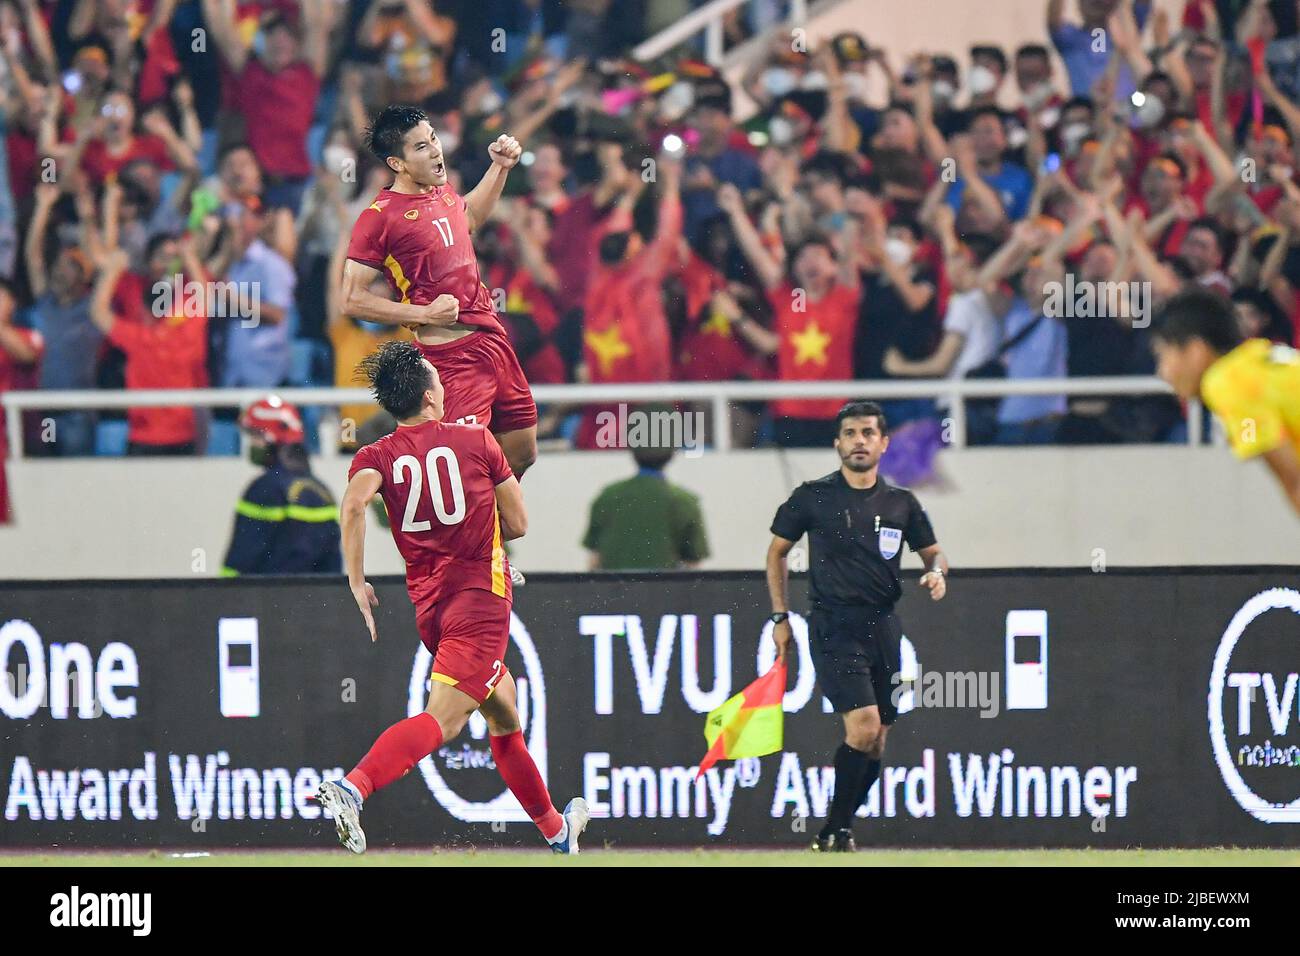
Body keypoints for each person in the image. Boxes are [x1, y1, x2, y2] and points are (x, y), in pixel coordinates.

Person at [317, 341, 588, 855]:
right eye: (438, 380)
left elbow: (353, 506)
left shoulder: (376, 455)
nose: (445, 385)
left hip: (432, 611)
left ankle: (557, 832)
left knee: (504, 711)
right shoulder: (477, 441)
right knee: (444, 718)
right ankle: (353, 788)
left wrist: (357, 581)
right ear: (430, 395)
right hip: (480, 602)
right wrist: (486, 534)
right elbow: (520, 524)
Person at [765, 401, 948, 851]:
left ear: (884, 443)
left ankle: (838, 829)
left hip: (884, 626)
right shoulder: (812, 497)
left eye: (868, 432)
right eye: (850, 433)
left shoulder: (901, 504)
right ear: (837, 444)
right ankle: (833, 829)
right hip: (833, 624)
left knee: (878, 739)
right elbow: (776, 553)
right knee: (863, 727)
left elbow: (934, 553)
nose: (859, 441)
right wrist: (780, 617)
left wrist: (937, 572)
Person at [340, 106, 539, 484]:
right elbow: (350, 298)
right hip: (451, 358)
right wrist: (426, 313)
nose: (435, 151)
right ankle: (466, 538)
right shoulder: (379, 218)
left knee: (521, 450)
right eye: (421, 147)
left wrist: (499, 168)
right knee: (466, 470)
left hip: (492, 340)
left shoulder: (441, 192)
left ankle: (483, 533)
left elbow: (470, 220)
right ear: (397, 162)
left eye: (433, 139)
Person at [1153, 287, 1300, 516]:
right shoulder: (1253, 360)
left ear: (1195, 351)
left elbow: (1295, 482)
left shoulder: (1227, 383)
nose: (1162, 372)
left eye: (1163, 355)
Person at [220, 396, 341, 577]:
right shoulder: (322, 492)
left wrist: (222, 599)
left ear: (271, 438)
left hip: (262, 602)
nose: (252, 445)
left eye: (255, 436)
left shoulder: (264, 489)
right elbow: (332, 567)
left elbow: (242, 557)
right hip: (312, 603)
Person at [582, 439, 710, 571]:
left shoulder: (608, 496)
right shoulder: (684, 501)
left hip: (614, 590)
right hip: (663, 589)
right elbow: (693, 565)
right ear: (671, 455)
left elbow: (594, 560)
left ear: (633, 455)